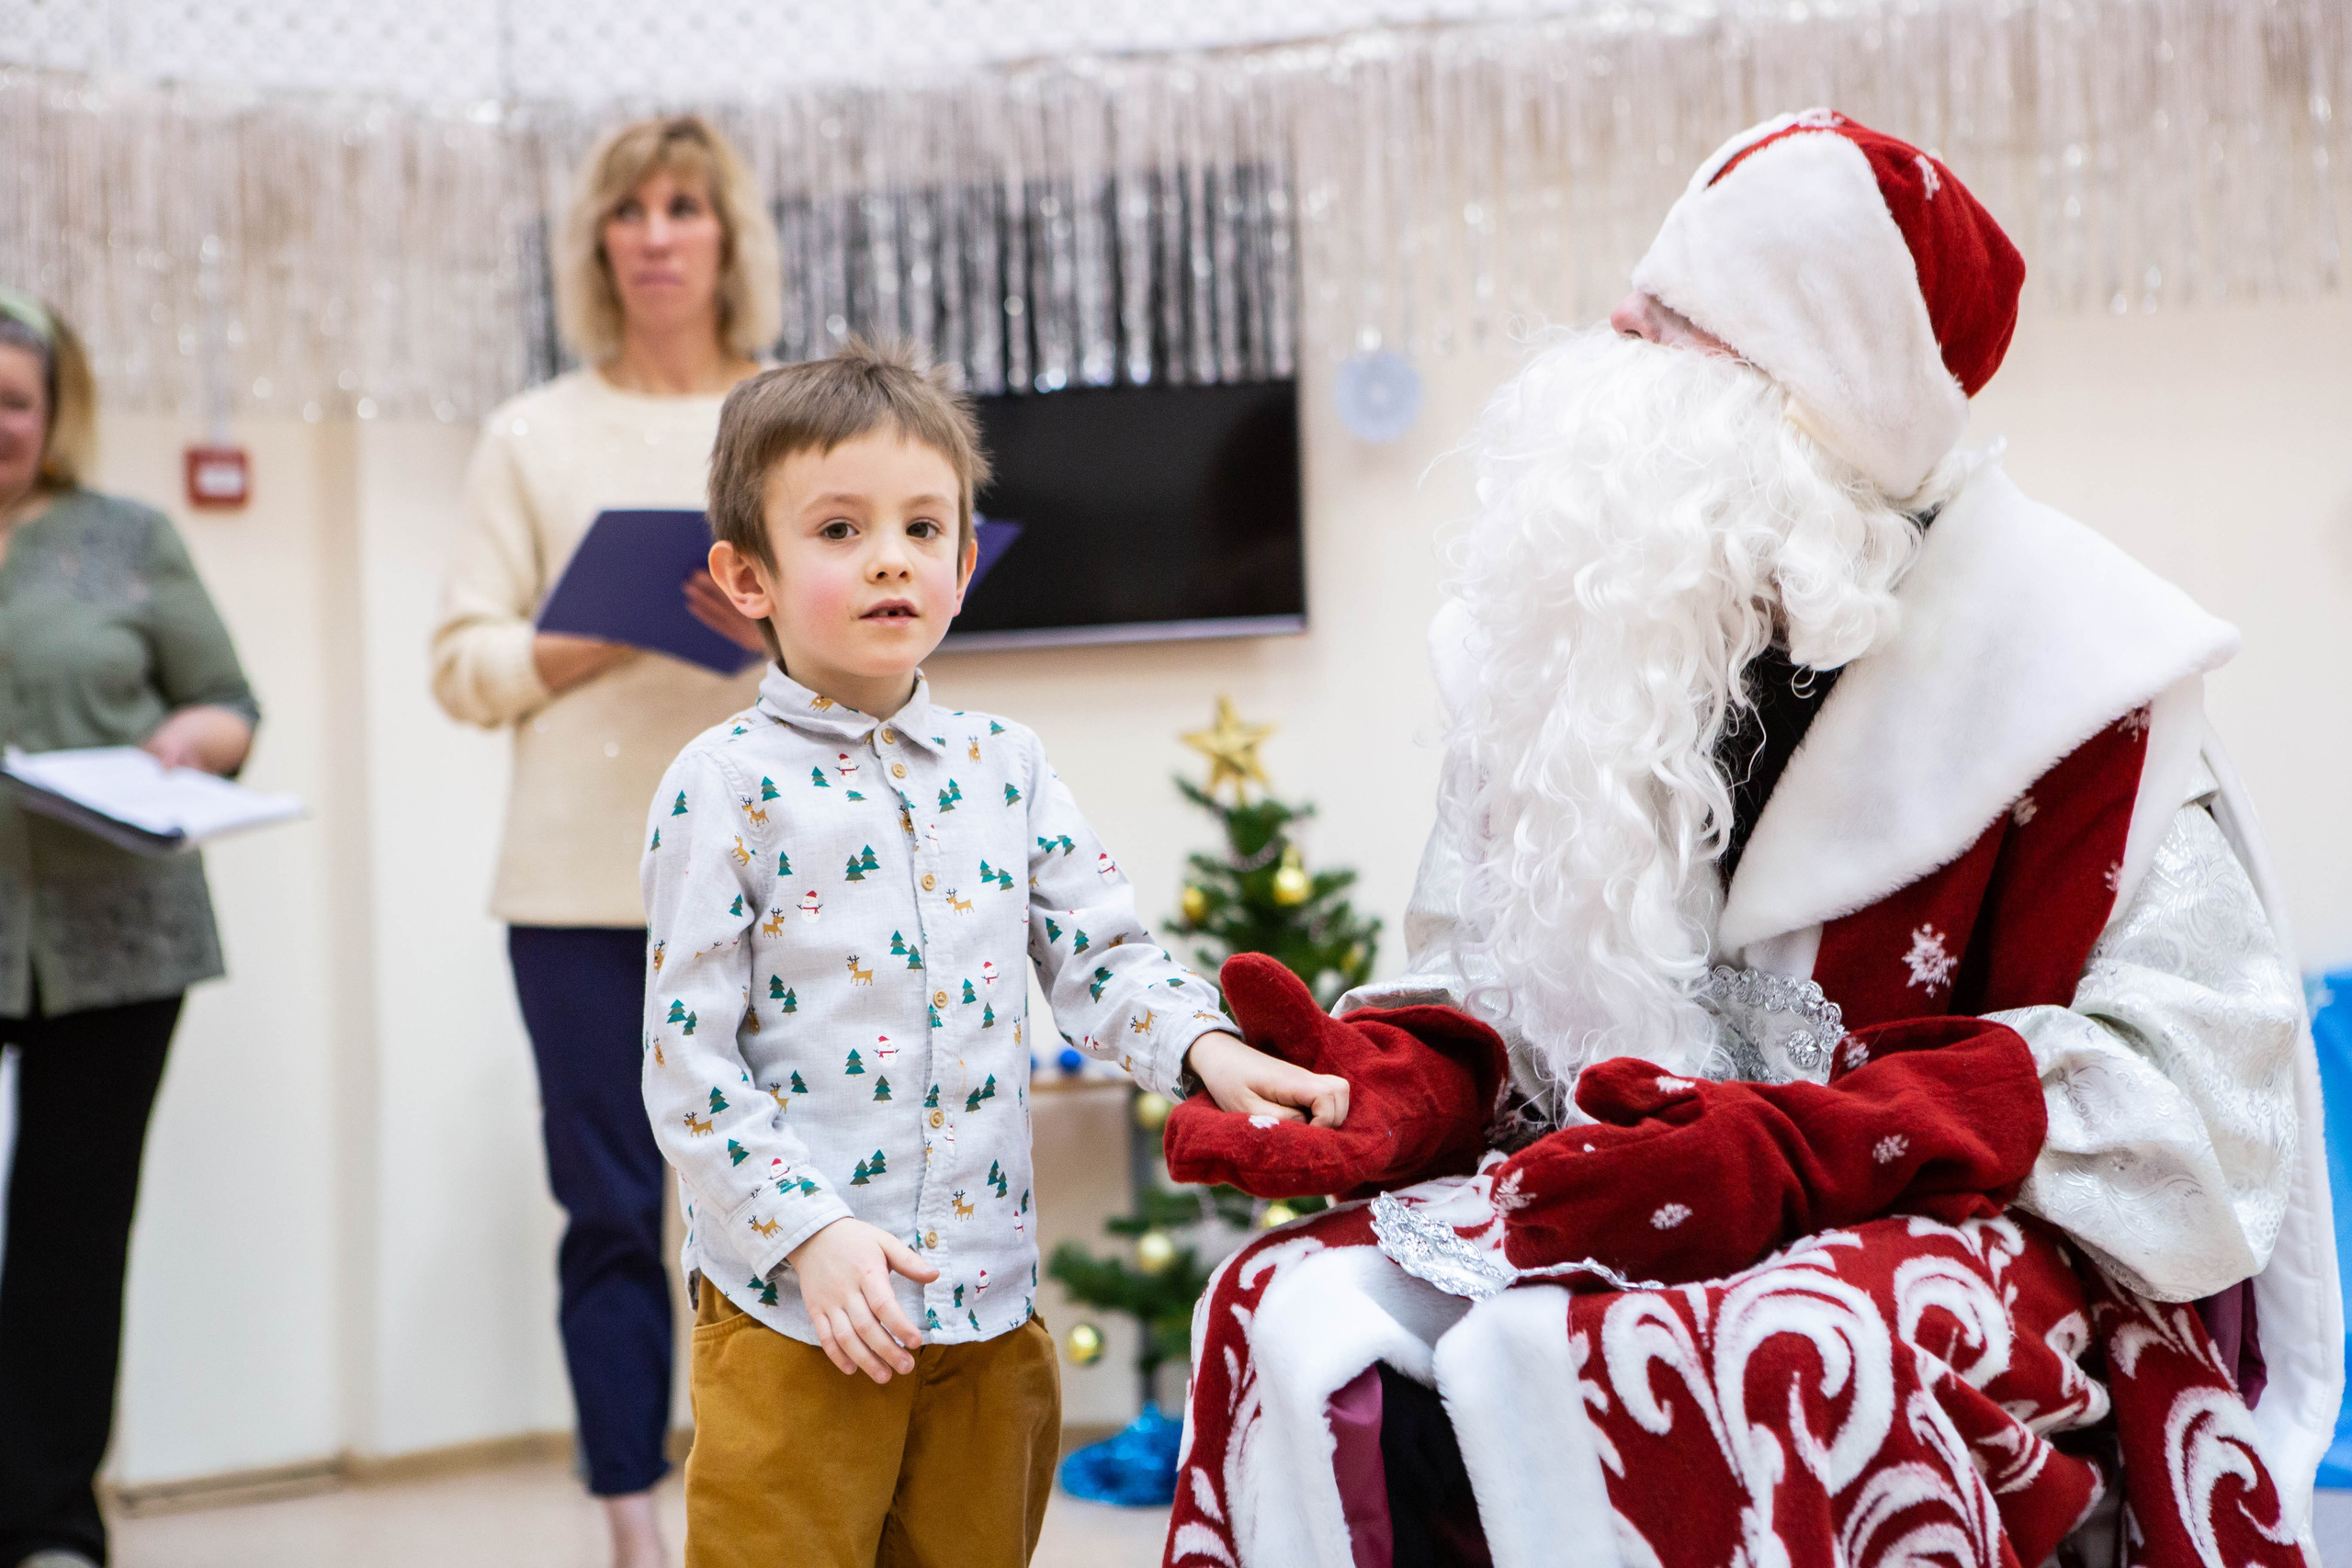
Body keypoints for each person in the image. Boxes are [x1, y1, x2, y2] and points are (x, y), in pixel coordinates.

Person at [1158, 111, 2341, 1568]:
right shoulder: (1590, 642)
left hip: (1944, 1227)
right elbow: (1486, 982)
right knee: (1275, 1311)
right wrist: (1400, 1085)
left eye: (1672, 330)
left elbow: (2197, 1097)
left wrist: (1803, 1150)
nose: (1609, 339)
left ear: (1808, 403)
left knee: (1785, 1352)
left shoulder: (2080, 673)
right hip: (1609, 1194)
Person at [642, 341, 1349, 1568]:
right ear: (745, 575)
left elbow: (1104, 958)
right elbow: (688, 1066)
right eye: (839, 529)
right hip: (800, 1321)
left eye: (923, 528)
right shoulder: (722, 788)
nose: (889, 558)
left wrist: (1210, 1049)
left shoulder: (1005, 767)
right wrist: (810, 1234)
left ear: (966, 563)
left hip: (987, 1316)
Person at [427, 115, 780, 1568]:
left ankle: (767, 1501)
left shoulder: (788, 415)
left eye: (683, 205)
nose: (655, 232)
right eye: (628, 209)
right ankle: (634, 1518)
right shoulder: (533, 434)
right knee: (616, 1214)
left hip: (769, 879)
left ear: (724, 238)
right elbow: (463, 665)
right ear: (595, 246)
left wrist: (769, 625)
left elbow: (882, 635)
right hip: (576, 897)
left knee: (774, 1206)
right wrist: (589, 635)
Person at [0, 288, 258, 1568]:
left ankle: (49, 1524)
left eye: (15, 401)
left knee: (69, 1236)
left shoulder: (130, 537)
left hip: (115, 942)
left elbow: (227, 705)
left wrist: (189, 743)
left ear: (52, 416)